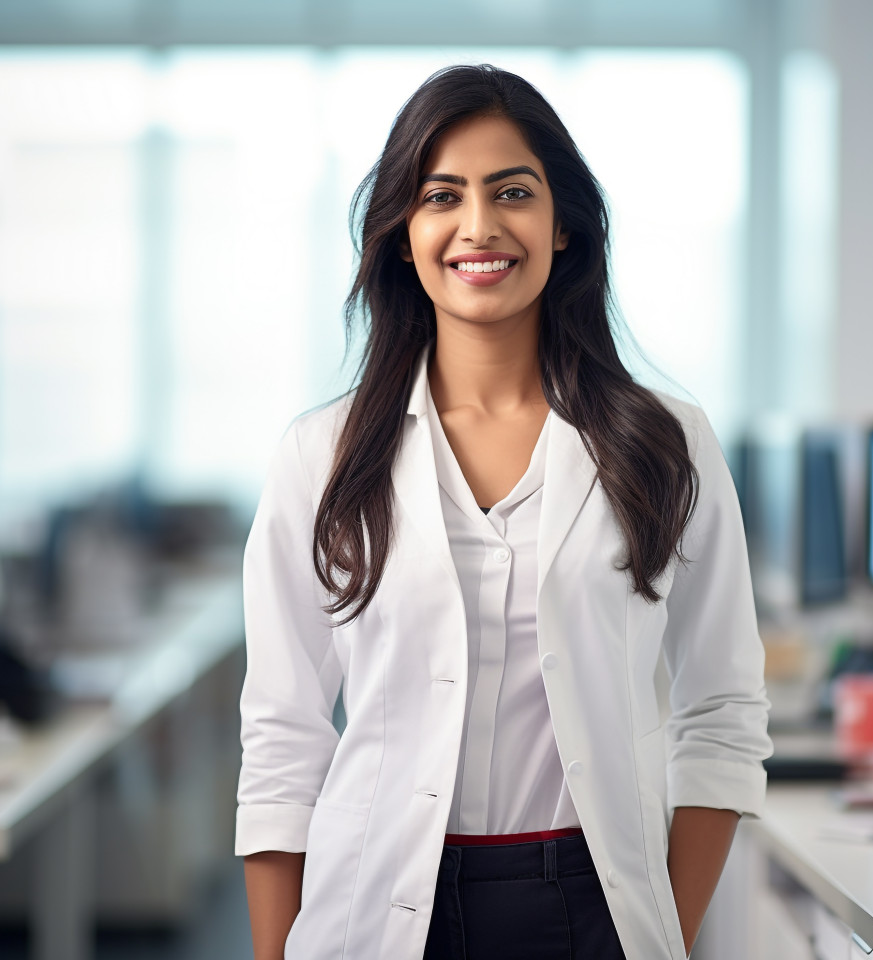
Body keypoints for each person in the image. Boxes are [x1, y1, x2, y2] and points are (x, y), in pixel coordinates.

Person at [236, 64, 773, 960]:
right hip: (372, 904)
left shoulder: (666, 444)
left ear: (563, 225)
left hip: (591, 904)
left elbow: (721, 711)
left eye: (512, 192)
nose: (479, 225)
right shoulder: (320, 455)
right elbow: (283, 738)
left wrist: (663, 937)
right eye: (441, 196)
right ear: (403, 235)